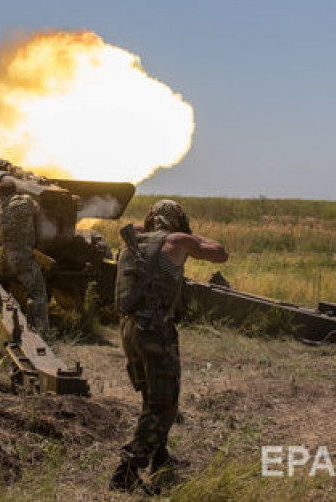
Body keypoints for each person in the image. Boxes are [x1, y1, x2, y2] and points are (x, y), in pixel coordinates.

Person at [110, 199, 229, 492]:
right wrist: (191, 235)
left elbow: (141, 227)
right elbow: (220, 254)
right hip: (155, 331)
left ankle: (159, 457)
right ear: (178, 222)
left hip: (129, 329)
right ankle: (126, 470)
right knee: (164, 404)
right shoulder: (178, 241)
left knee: (152, 395)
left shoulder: (132, 237)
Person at [0, 177, 49, 332]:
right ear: (16, 191)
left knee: (12, 288)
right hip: (21, 257)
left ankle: (9, 323)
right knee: (38, 293)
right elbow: (37, 208)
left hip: (1, 258)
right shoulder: (26, 202)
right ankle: (40, 330)